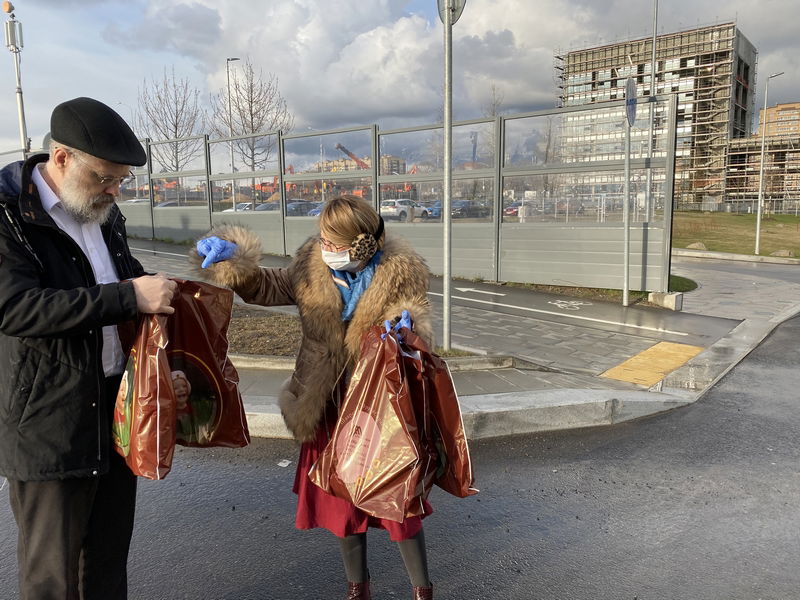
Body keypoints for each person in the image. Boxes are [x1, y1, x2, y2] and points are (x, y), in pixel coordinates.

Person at [195, 195, 436, 600]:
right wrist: (234, 262)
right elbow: (269, 286)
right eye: (323, 237)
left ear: (361, 243)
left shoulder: (400, 274)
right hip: (324, 400)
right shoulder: (312, 265)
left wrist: (409, 329)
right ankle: (357, 588)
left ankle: (421, 589)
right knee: (342, 504)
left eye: (334, 241)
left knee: (398, 501)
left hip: (379, 405)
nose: (326, 247)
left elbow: (418, 324)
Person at [0, 97, 178, 600]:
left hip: (115, 409)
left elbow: (121, 279)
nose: (114, 190)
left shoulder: (100, 210)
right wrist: (128, 296)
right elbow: (15, 308)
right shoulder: (9, 214)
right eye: (105, 177)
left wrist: (160, 287)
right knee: (51, 576)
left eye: (120, 180)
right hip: (48, 421)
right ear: (61, 159)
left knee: (105, 563)